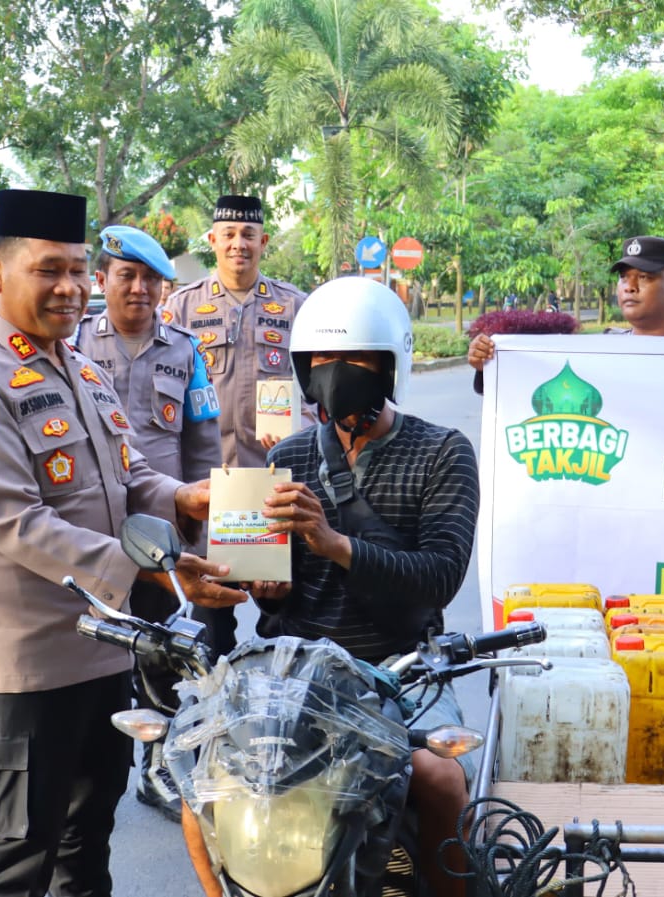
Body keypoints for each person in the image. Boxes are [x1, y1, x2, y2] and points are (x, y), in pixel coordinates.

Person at [0, 188, 247, 897]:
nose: (69, 287)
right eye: (48, 270)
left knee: (85, 852)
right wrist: (155, 575)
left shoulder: (81, 369)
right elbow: (18, 523)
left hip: (101, 656)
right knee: (17, 866)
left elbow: (132, 475)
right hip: (24, 671)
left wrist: (186, 498)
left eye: (75, 269)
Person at [229, 276, 479, 897]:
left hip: (402, 668)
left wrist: (335, 544)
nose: (338, 373)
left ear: (392, 365)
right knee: (209, 786)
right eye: (323, 361)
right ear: (303, 369)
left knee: (441, 780)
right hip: (297, 671)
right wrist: (261, 584)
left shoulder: (443, 452)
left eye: (359, 360)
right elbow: (276, 588)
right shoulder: (287, 453)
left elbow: (440, 576)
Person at [72, 223, 222, 822]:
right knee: (98, 649)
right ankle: (95, 764)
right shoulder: (75, 343)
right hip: (92, 531)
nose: (138, 288)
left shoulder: (186, 351)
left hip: (162, 535)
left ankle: (157, 767)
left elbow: (204, 446)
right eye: (126, 276)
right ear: (102, 279)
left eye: (150, 279)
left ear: (163, 287)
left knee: (163, 651)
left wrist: (196, 536)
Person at [163, 194, 312, 655]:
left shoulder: (296, 307)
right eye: (228, 234)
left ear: (264, 241)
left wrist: (300, 424)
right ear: (212, 240)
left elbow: (318, 390)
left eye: (248, 235)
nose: (238, 244)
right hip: (209, 498)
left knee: (289, 638)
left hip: (277, 495)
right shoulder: (182, 310)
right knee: (208, 641)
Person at [466, 235, 664, 393]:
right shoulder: (597, 353)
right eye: (624, 277)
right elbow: (534, 390)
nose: (630, 286)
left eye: (645, 277)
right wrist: (488, 365)